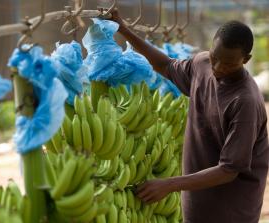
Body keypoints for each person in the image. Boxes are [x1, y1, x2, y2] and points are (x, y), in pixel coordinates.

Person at [110, 10, 269, 223]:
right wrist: (124, 30)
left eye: (229, 64)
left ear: (246, 59)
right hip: (197, 203)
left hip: (231, 211)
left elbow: (229, 170)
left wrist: (169, 184)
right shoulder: (202, 65)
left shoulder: (245, 101)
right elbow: (166, 65)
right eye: (215, 57)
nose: (218, 68)